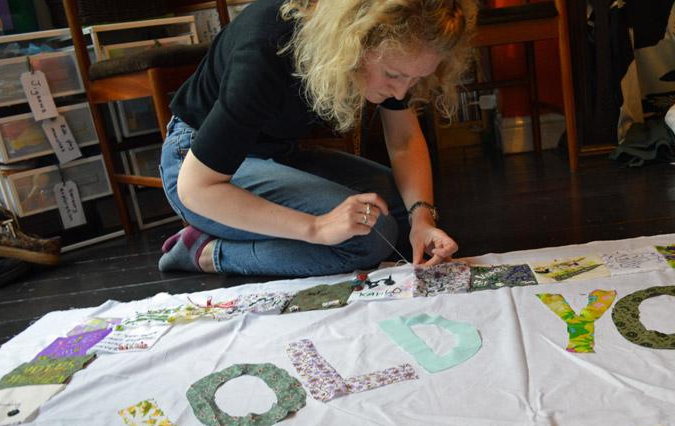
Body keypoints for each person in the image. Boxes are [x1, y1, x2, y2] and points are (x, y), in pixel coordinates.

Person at [158, 0, 476, 276]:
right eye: (393, 75)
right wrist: (318, 228)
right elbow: (195, 187)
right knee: (368, 237)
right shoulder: (266, 46)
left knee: (404, 215)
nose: (401, 92)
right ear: (355, 39)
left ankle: (258, 229)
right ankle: (206, 251)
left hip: (275, 155)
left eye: (415, 78)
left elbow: (404, 139)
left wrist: (421, 218)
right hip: (197, 168)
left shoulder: (395, 45)